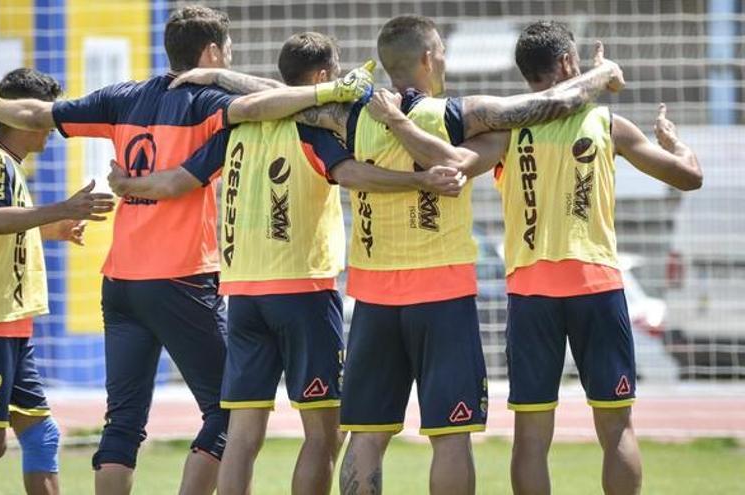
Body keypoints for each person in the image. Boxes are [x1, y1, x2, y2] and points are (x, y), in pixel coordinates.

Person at [0, 6, 373, 495]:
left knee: (122, 421)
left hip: (120, 281)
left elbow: (36, 113)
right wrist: (327, 92)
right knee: (228, 412)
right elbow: (260, 106)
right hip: (183, 277)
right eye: (226, 51)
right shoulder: (207, 101)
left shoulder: (122, 97)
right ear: (211, 53)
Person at [277, 14, 625, 495]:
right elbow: (554, 102)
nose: (444, 59)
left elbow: (280, 98)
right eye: (440, 51)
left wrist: (214, 77)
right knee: (450, 437)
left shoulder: (350, 116)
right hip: (442, 296)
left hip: (374, 297)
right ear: (426, 57)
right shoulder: (459, 113)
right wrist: (601, 75)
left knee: (366, 436)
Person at [107, 32, 464, 495]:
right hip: (302, 293)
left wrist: (128, 185)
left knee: (240, 433)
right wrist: (418, 182)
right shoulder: (311, 127)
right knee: (324, 431)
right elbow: (351, 174)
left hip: (243, 297)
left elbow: (177, 180)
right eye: (332, 75)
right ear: (320, 78)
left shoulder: (236, 129)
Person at [368, 20, 702, 495]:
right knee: (617, 429)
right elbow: (690, 177)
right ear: (568, 63)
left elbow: (452, 164)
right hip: (597, 287)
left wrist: (399, 124)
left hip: (530, 294)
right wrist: (675, 142)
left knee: (530, 438)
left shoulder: (508, 130)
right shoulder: (608, 124)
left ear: (526, 75)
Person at [0, 67, 115, 495]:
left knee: (42, 435)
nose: (49, 129)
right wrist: (60, 208)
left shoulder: (6, 166)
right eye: (43, 118)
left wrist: (53, 228)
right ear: (19, 116)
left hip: (8, 323)